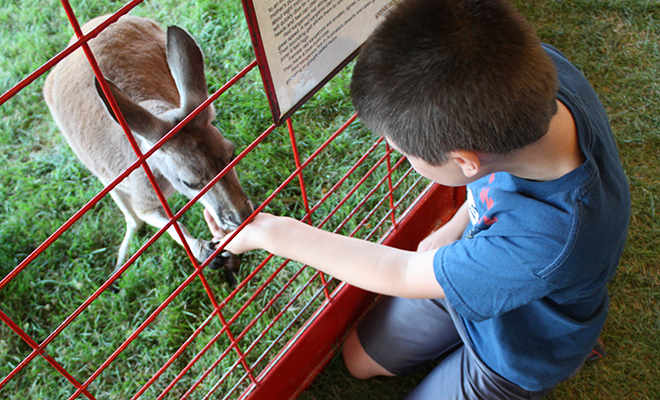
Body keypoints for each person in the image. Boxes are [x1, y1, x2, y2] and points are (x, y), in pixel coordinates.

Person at [205, 0, 631, 398]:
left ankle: (569, 349)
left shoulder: (554, 238)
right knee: (357, 359)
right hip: (475, 265)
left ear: (464, 160)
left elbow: (404, 271)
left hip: (517, 348)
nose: (398, 154)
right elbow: (492, 185)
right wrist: (455, 225)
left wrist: (273, 232)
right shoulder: (531, 78)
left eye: (403, 152)